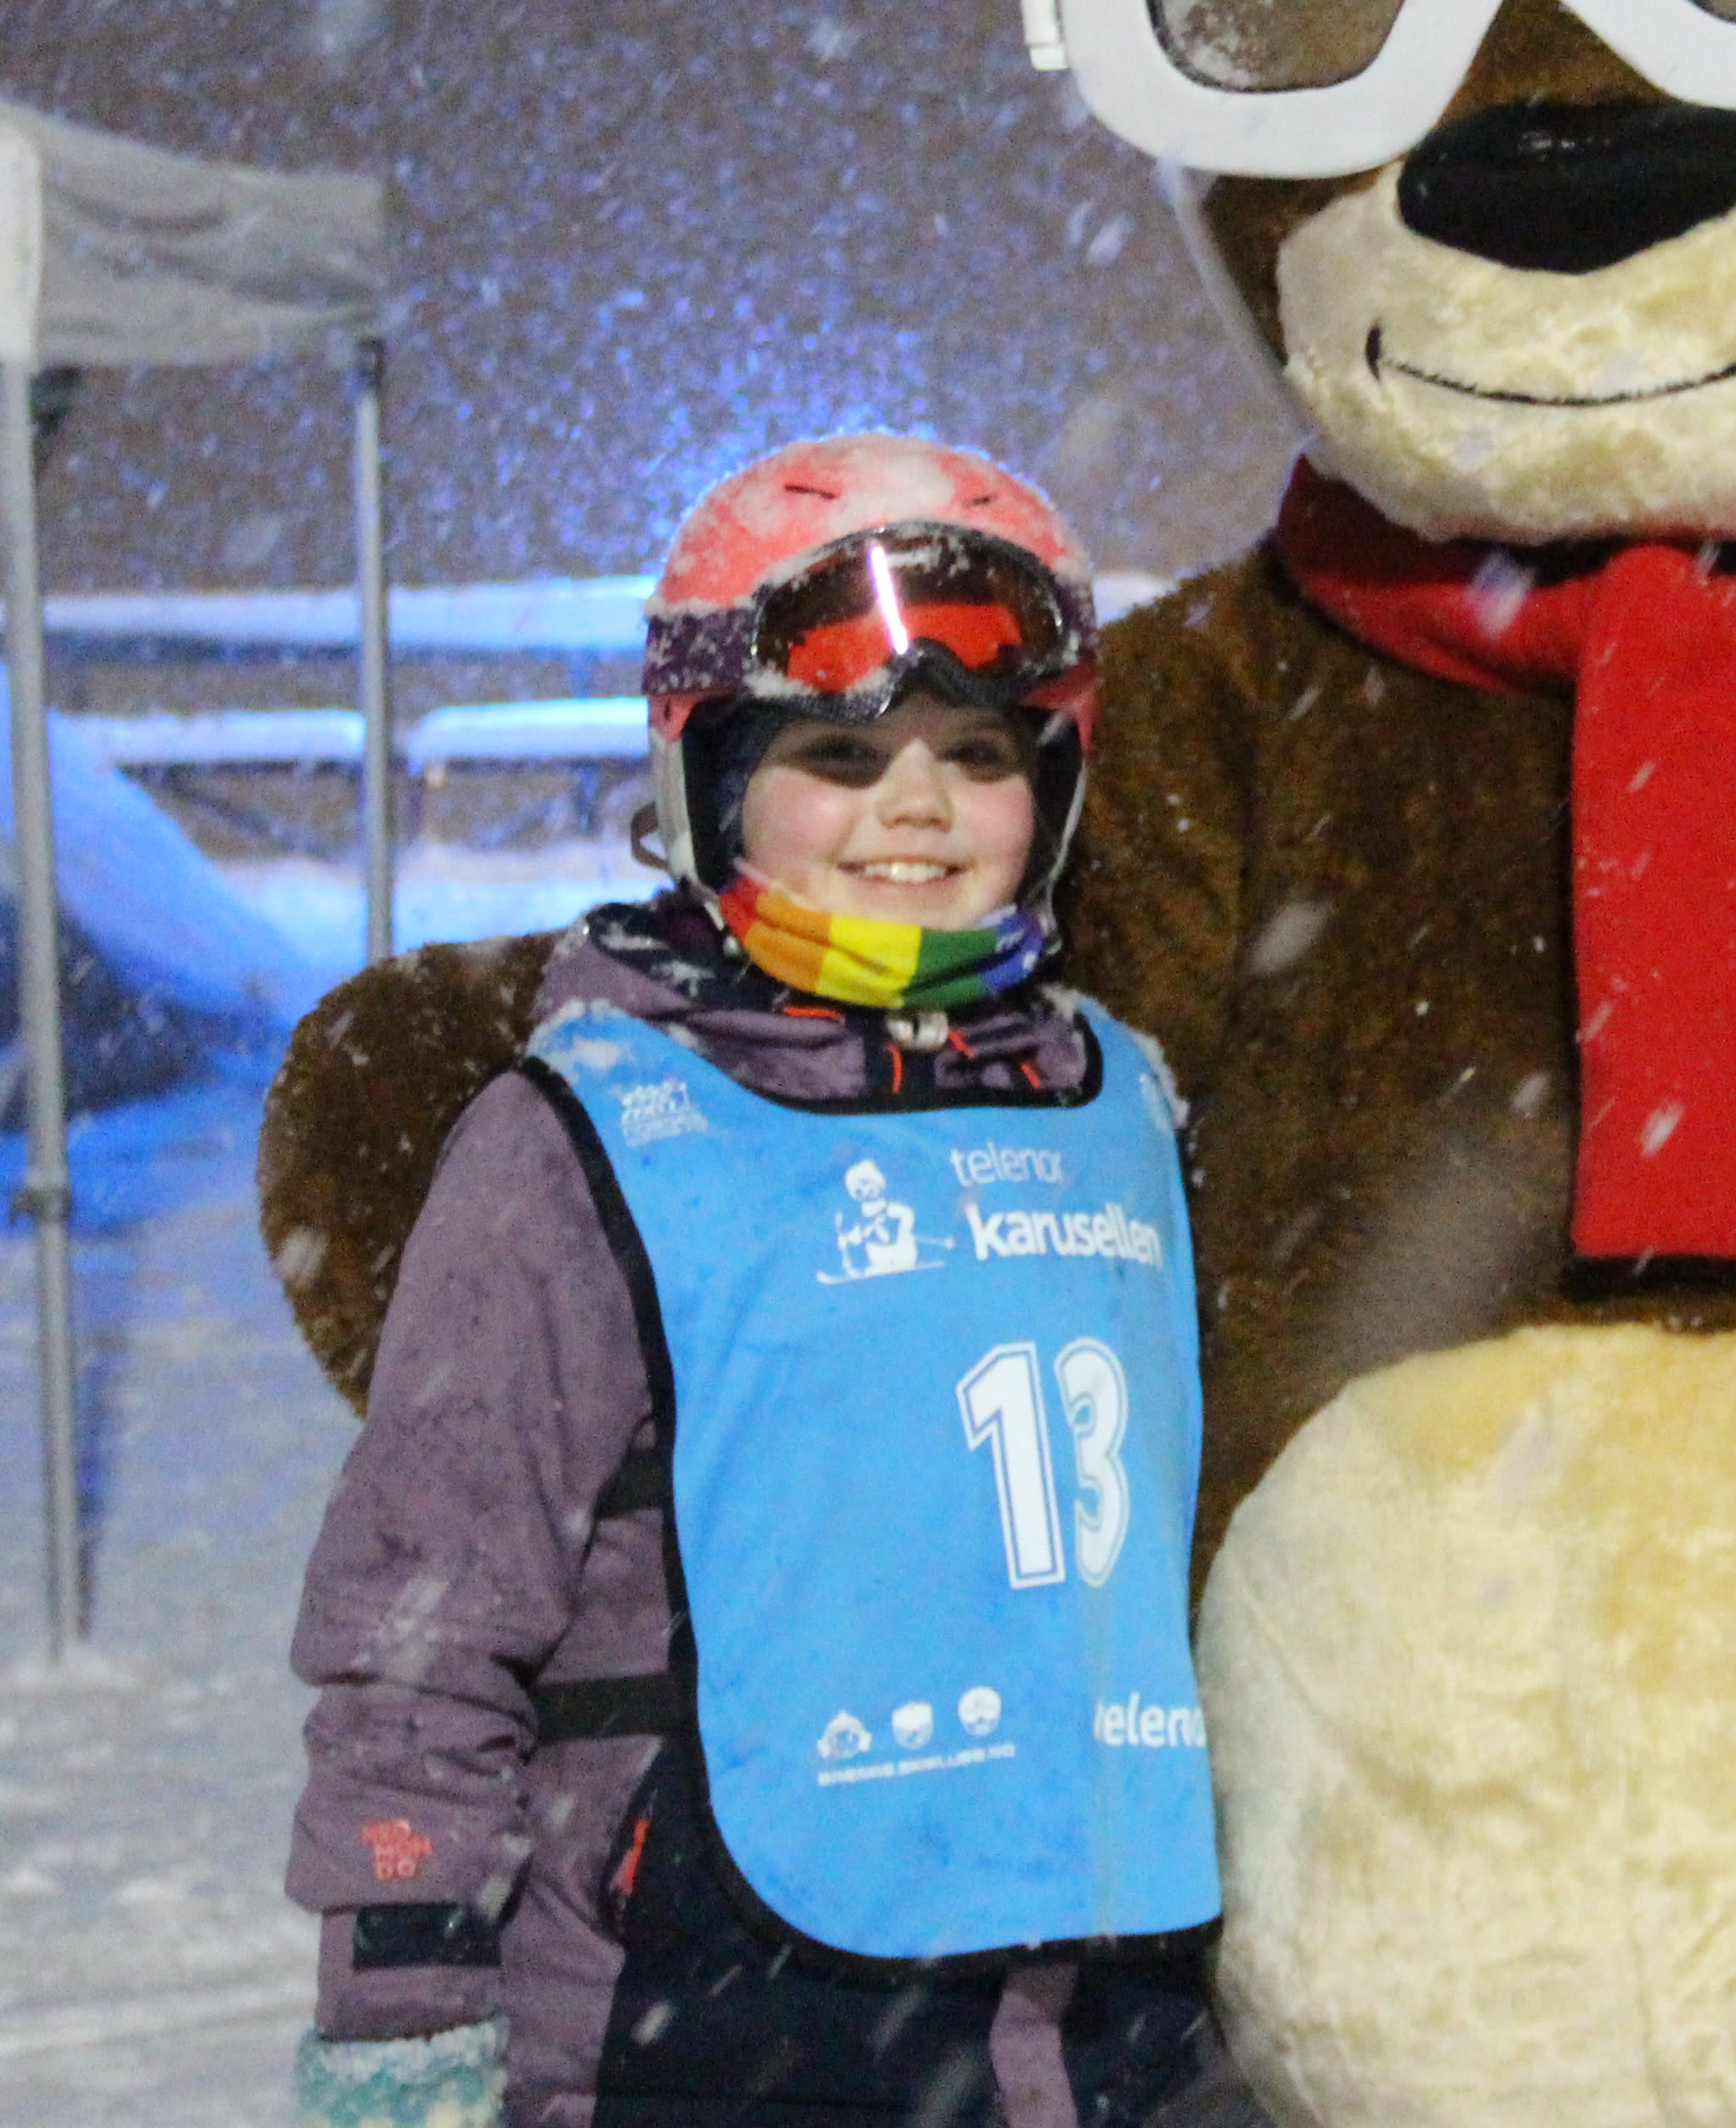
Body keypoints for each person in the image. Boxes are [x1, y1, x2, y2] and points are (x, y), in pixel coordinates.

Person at [286, 439, 1237, 2128]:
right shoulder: (593, 1134)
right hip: (723, 2018)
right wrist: (403, 1999)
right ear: (711, 772)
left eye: (978, 753)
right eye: (839, 753)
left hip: (1114, 2019)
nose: (916, 808)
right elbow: (429, 1619)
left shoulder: (1124, 1107)